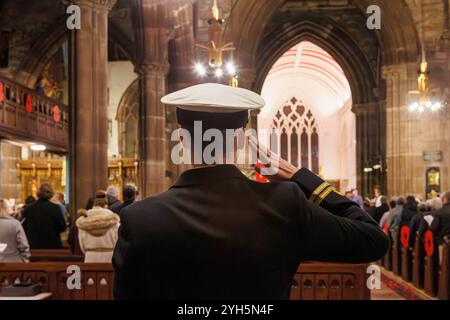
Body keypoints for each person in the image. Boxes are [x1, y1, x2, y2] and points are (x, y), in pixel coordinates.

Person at [113, 83, 389, 300]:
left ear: (182, 141)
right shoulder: (283, 203)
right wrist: (300, 178)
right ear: (242, 141)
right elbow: (373, 239)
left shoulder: (139, 218)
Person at [77, 190, 120, 263]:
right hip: (109, 257)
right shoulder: (114, 222)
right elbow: (117, 242)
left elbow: (82, 245)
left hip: (90, 257)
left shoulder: (83, 222)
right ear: (105, 205)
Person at [22, 184, 67, 249]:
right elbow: (62, 227)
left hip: (34, 245)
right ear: (51, 193)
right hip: (52, 245)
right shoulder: (55, 208)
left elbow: (24, 227)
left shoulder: (29, 209)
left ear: (38, 193)